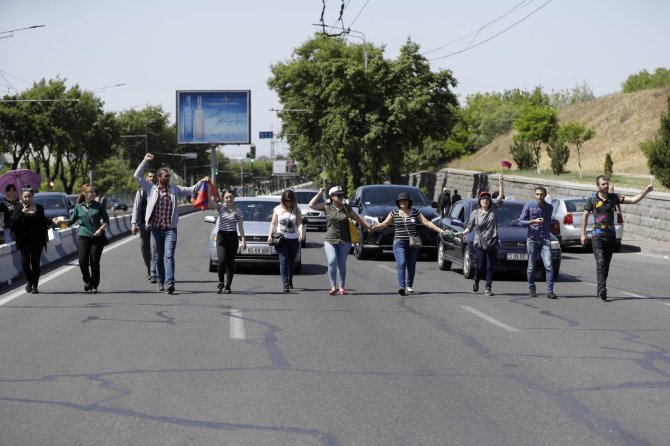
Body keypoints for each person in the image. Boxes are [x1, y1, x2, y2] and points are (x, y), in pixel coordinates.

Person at [134, 153, 209, 294]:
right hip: (155, 229)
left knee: (169, 255)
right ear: (159, 178)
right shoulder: (151, 189)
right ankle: (160, 281)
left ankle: (170, 282)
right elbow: (137, 176)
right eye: (166, 176)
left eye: (169, 176)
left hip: (170, 229)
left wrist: (202, 181)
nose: (168, 178)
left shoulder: (174, 189)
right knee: (158, 257)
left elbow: (191, 189)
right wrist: (144, 161)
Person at [581, 176, 653, 301]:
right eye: (603, 184)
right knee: (601, 262)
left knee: (606, 265)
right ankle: (602, 288)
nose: (606, 186)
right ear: (597, 186)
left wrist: (645, 191)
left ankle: (600, 288)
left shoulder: (614, 198)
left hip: (610, 236)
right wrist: (582, 234)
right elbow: (585, 216)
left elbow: (633, 200)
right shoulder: (592, 199)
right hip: (597, 236)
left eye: (607, 183)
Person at [372, 192, 447, 295]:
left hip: (413, 243)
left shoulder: (415, 212)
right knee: (401, 263)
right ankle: (401, 287)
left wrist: (440, 230)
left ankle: (409, 285)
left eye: (405, 201)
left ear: (409, 202)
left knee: (411, 265)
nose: (403, 202)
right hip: (399, 243)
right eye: (401, 201)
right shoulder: (394, 213)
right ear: (398, 202)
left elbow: (427, 223)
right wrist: (373, 227)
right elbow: (385, 224)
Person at [308, 185, 373, 295]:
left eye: (342, 195)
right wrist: (319, 193)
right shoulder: (326, 206)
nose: (341, 197)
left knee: (341, 264)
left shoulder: (346, 207)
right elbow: (311, 205)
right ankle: (333, 286)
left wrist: (368, 226)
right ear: (332, 197)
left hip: (345, 240)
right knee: (332, 261)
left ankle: (341, 287)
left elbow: (357, 218)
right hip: (330, 239)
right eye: (338, 195)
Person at [54, 184, 110, 294]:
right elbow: (71, 221)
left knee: (94, 262)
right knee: (82, 261)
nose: (93, 194)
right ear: (84, 194)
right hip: (83, 237)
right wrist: (61, 222)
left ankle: (94, 285)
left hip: (97, 238)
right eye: (91, 192)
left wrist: (101, 230)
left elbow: (107, 221)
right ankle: (87, 280)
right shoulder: (78, 207)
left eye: (94, 192)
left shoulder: (99, 206)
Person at [460, 176, 505, 296]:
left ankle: (488, 288)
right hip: (479, 242)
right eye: (483, 199)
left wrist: (501, 182)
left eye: (487, 199)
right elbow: (469, 227)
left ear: (490, 201)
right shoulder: (475, 213)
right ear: (479, 201)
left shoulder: (493, 209)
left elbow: (500, 197)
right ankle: (476, 280)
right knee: (480, 266)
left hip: (492, 242)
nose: (485, 200)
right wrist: (462, 233)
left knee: (491, 267)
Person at [519, 186, 556, 299]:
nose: (539, 196)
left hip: (545, 239)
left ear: (545, 195)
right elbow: (521, 221)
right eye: (537, 194)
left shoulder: (549, 207)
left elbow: (549, 222)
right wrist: (533, 221)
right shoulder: (529, 205)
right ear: (535, 195)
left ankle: (550, 291)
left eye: (541, 194)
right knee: (531, 266)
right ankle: (532, 288)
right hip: (532, 239)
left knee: (549, 265)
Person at [11, 187, 49, 293]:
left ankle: (35, 286)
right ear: (22, 197)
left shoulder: (39, 208)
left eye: (29, 196)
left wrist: (52, 221)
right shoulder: (18, 208)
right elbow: (13, 224)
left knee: (35, 263)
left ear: (33, 196)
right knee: (25, 263)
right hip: (23, 241)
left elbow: (43, 221)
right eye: (25, 197)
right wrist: (22, 213)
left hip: (37, 240)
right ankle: (29, 282)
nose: (27, 199)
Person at [267, 189, 304, 292]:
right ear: (283, 200)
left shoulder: (297, 209)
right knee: (283, 261)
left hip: (293, 239)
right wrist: (270, 235)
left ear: (293, 200)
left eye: (290, 201)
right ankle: (285, 284)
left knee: (292, 262)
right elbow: (273, 223)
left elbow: (299, 223)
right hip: (281, 239)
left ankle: (289, 278)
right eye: (286, 201)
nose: (288, 203)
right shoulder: (277, 209)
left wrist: (301, 233)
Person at [214, 190, 246, 294]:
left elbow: (241, 227)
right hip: (221, 236)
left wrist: (243, 240)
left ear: (234, 198)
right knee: (221, 260)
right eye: (227, 197)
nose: (229, 199)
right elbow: (210, 201)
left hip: (232, 237)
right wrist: (209, 186)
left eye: (230, 197)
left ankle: (228, 286)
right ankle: (221, 282)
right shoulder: (221, 208)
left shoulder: (239, 211)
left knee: (230, 263)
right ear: (224, 199)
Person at [131, 170, 158, 283]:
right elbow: (136, 208)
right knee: (144, 249)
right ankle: (149, 268)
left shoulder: (159, 191)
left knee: (154, 248)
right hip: (143, 224)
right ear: (147, 179)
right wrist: (133, 224)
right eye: (150, 176)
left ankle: (153, 272)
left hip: (156, 224)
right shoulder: (141, 192)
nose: (152, 178)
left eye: (154, 176)